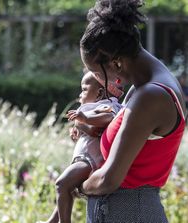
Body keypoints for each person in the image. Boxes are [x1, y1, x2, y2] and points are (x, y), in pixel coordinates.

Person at [78, 0, 187, 222]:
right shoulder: (143, 88)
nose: (98, 81)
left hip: (133, 213)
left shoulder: (150, 97)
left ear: (116, 63)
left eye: (97, 73)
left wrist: (76, 185)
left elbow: (109, 179)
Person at [42, 70, 123, 223]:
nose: (80, 94)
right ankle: (54, 220)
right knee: (68, 189)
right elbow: (90, 133)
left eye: (84, 89)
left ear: (99, 94)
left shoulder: (106, 106)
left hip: (90, 161)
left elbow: (108, 117)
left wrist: (85, 119)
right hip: (85, 158)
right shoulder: (92, 107)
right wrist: (78, 134)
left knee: (61, 184)